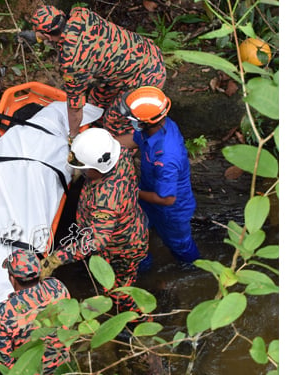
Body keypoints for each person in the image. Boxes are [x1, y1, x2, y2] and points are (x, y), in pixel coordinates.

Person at [41, 128, 149, 313]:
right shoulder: (118, 155)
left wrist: (56, 259)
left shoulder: (105, 201)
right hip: (131, 223)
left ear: (97, 169)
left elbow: (96, 241)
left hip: (120, 248)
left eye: (83, 167)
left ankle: (138, 319)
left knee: (118, 291)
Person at [28, 5, 166, 139]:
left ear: (47, 35)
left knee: (113, 122)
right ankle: (96, 129)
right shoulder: (81, 14)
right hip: (140, 54)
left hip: (147, 75)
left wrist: (73, 136)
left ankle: (122, 152)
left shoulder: (72, 61)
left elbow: (75, 108)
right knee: (95, 102)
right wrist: (38, 37)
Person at [117, 86, 200, 270]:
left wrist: (132, 192)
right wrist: (106, 142)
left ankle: (194, 267)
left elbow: (167, 199)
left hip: (171, 211)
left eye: (133, 119)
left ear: (146, 122)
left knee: (180, 245)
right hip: (150, 193)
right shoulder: (159, 125)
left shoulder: (166, 157)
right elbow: (135, 139)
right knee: (140, 227)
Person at [0, 248, 71, 374]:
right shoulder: (57, 287)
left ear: (12, 279)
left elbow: (3, 360)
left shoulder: (2, 312)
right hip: (64, 367)